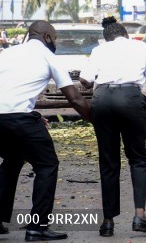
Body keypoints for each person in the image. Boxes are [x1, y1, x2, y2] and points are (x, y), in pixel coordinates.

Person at [0, 21, 91, 242]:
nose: (56, 42)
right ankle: (37, 228)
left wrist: (33, 113)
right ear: (48, 37)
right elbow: (75, 98)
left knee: (12, 162)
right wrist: (98, 120)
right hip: (20, 120)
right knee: (47, 165)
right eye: (56, 38)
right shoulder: (49, 57)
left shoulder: (6, 53)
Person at [78, 16, 146, 237]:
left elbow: (85, 80)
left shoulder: (100, 50)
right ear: (125, 35)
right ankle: (139, 215)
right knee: (138, 159)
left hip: (102, 101)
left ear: (106, 37)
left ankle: (108, 222)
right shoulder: (142, 47)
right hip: (130, 99)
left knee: (108, 161)